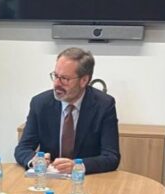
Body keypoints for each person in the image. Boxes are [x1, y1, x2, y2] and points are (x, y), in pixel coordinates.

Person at [14, 47, 120, 175]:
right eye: (55, 76)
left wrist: (78, 165)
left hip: (87, 180)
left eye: (64, 79)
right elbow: (23, 149)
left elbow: (111, 157)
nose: (56, 84)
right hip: (50, 178)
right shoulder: (40, 104)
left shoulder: (104, 105)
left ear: (84, 80)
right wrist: (34, 160)